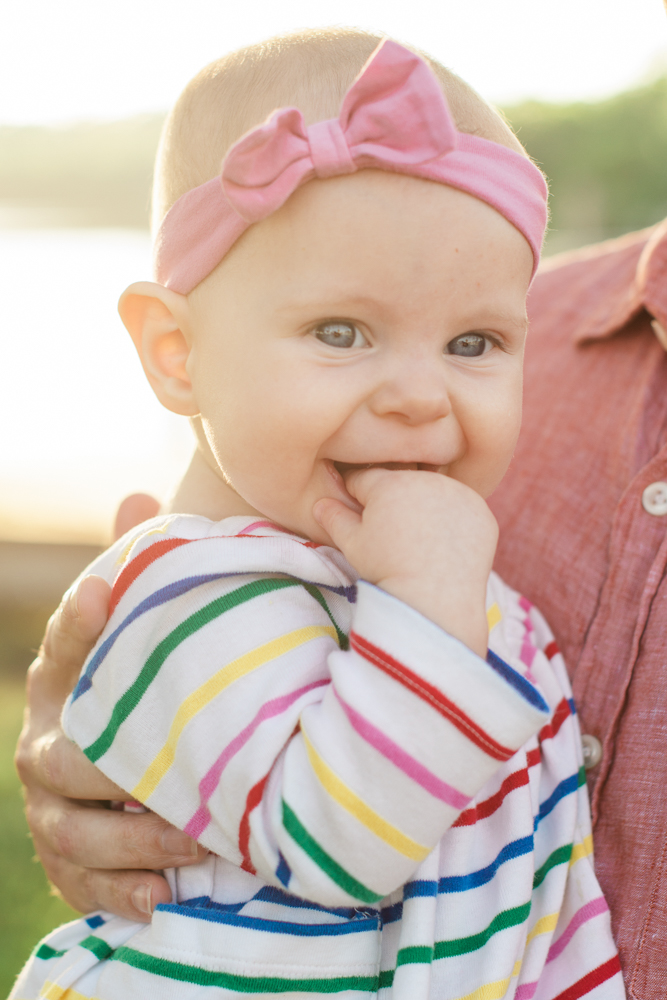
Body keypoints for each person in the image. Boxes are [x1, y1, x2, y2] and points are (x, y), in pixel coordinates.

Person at [9, 30, 624, 1000]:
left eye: (473, 341)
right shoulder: (189, 592)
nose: (422, 395)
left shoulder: (435, 586)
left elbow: (544, 887)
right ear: (177, 353)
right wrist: (429, 595)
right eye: (341, 332)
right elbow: (338, 847)